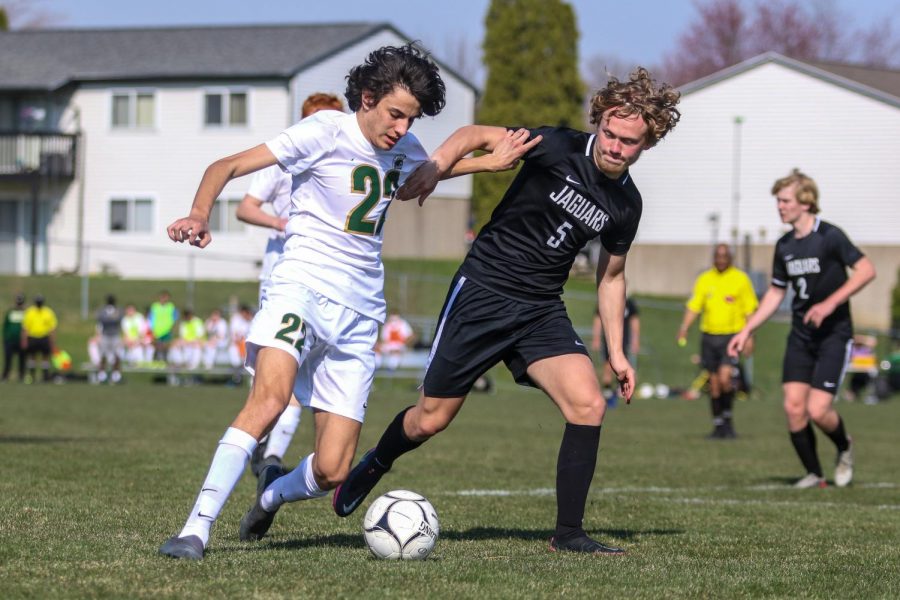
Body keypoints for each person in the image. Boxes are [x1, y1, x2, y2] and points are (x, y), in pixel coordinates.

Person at [159, 44, 530, 561]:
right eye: (396, 114)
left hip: (360, 314)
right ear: (367, 97)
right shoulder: (325, 130)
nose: (402, 127)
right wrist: (199, 214)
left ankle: (269, 494)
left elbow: (417, 180)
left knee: (334, 468)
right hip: (301, 288)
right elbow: (227, 164)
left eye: (412, 118)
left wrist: (486, 164)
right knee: (269, 400)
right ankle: (193, 531)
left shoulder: (404, 145)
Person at [332, 67, 681, 555]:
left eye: (630, 142)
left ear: (646, 145)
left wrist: (618, 353)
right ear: (599, 121)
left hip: (540, 308)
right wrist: (436, 166)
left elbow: (612, 277)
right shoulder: (557, 145)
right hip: (483, 290)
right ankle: (376, 462)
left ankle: (569, 534)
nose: (615, 147)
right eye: (610, 133)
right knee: (429, 420)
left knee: (588, 405)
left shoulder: (627, 205)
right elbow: (474, 134)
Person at [728, 169, 876, 488]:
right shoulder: (784, 246)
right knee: (794, 408)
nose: (779, 207)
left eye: (785, 201)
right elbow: (776, 292)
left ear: (805, 202)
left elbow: (866, 270)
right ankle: (815, 474)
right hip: (801, 336)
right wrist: (746, 330)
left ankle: (844, 447)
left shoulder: (830, 236)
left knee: (819, 410)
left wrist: (829, 304)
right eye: (778, 201)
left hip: (834, 334)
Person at [235, 92, 344, 477]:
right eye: (316, 119)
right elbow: (245, 206)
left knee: (303, 373)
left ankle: (270, 454)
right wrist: (280, 223)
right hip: (282, 274)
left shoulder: (347, 163)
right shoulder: (282, 162)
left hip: (327, 279)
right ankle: (265, 449)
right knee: (276, 371)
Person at [677, 244, 758, 438]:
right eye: (718, 256)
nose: (721, 259)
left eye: (724, 256)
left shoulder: (741, 279)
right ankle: (718, 425)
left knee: (725, 379)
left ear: (730, 257)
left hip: (731, 337)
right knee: (713, 384)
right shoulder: (705, 279)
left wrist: (750, 337)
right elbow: (694, 306)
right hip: (709, 337)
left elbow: (750, 310)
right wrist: (684, 328)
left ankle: (728, 422)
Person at [591, 297, 639, 407]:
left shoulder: (629, 304)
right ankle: (607, 392)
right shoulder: (606, 299)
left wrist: (635, 340)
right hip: (608, 340)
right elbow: (598, 319)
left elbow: (635, 321)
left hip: (623, 341)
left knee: (622, 367)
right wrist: (596, 338)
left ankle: (620, 392)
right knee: (607, 366)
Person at [21, 294, 58, 383]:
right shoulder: (30, 312)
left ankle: (45, 376)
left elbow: (52, 329)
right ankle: (32, 376)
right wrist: (24, 340)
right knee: (32, 357)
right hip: (33, 337)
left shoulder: (48, 312)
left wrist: (52, 342)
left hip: (44, 338)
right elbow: (25, 328)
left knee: (45, 357)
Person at [95, 295, 124, 384]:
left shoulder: (118, 310)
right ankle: (102, 374)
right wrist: (112, 318)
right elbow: (101, 319)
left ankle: (116, 374)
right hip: (105, 335)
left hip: (115, 335)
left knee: (117, 354)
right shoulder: (103, 310)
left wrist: (110, 319)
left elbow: (119, 319)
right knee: (103, 354)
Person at [2, 293, 27, 382]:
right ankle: (5, 376)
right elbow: (5, 326)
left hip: (21, 341)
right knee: (8, 359)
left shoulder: (26, 313)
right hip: (10, 341)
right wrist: (5, 338)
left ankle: (21, 376)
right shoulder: (10, 312)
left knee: (22, 359)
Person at [149, 291, 178, 361]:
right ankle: (156, 361)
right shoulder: (154, 306)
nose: (164, 299)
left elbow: (175, 318)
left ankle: (166, 362)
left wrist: (172, 329)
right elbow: (150, 318)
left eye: (166, 297)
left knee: (166, 348)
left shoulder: (171, 307)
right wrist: (152, 329)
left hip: (167, 331)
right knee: (156, 347)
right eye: (163, 297)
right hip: (156, 331)